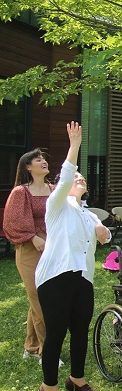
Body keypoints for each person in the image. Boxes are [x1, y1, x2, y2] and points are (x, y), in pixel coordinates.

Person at [35, 122, 111, 391]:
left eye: (82, 178)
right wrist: (75, 147)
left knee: (80, 329)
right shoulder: (55, 204)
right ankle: (49, 387)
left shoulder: (88, 214)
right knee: (56, 332)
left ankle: (76, 378)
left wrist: (103, 231)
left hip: (83, 278)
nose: (79, 179)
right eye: (75, 177)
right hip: (55, 276)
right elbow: (66, 178)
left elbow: (104, 236)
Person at [3, 148, 52, 362]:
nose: (43, 161)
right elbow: (11, 223)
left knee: (43, 297)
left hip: (51, 249)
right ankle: (46, 350)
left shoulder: (54, 189)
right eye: (38, 159)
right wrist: (34, 237)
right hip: (29, 249)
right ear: (28, 167)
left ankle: (31, 347)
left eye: (43, 159)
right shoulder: (21, 192)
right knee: (39, 298)